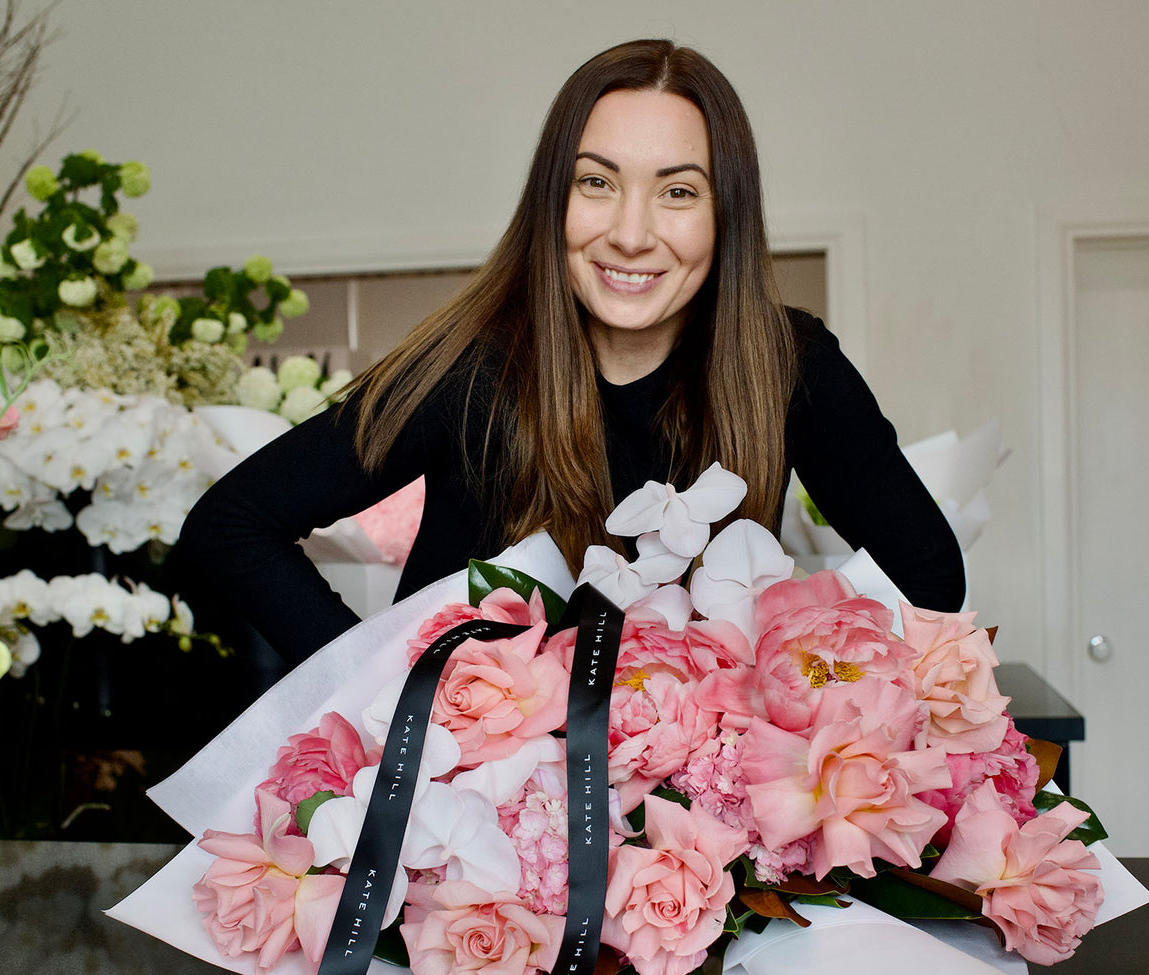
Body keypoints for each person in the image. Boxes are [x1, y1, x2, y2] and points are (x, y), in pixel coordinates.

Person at [176, 39, 965, 667]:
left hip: (687, 840)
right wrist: (380, 689)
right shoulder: (468, 369)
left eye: (678, 191)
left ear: (728, 215)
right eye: (597, 182)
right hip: (468, 832)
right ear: (554, 199)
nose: (630, 231)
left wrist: (793, 691)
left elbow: (931, 579)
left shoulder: (788, 365)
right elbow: (232, 524)